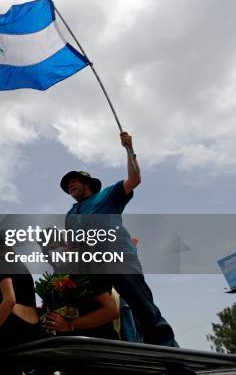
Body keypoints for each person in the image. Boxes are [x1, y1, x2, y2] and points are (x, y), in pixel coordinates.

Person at [59, 131, 178, 347]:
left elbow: (134, 179)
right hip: (92, 268)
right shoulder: (70, 214)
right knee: (99, 309)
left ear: (87, 183)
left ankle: (169, 354)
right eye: (67, 186)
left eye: (74, 181)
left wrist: (129, 149)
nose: (70, 186)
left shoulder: (108, 195)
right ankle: (110, 349)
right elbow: (72, 245)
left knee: (143, 307)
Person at [0, 232, 44, 375]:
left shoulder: (0, 262)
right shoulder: (17, 263)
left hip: (15, 326)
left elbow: (9, 300)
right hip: (33, 327)